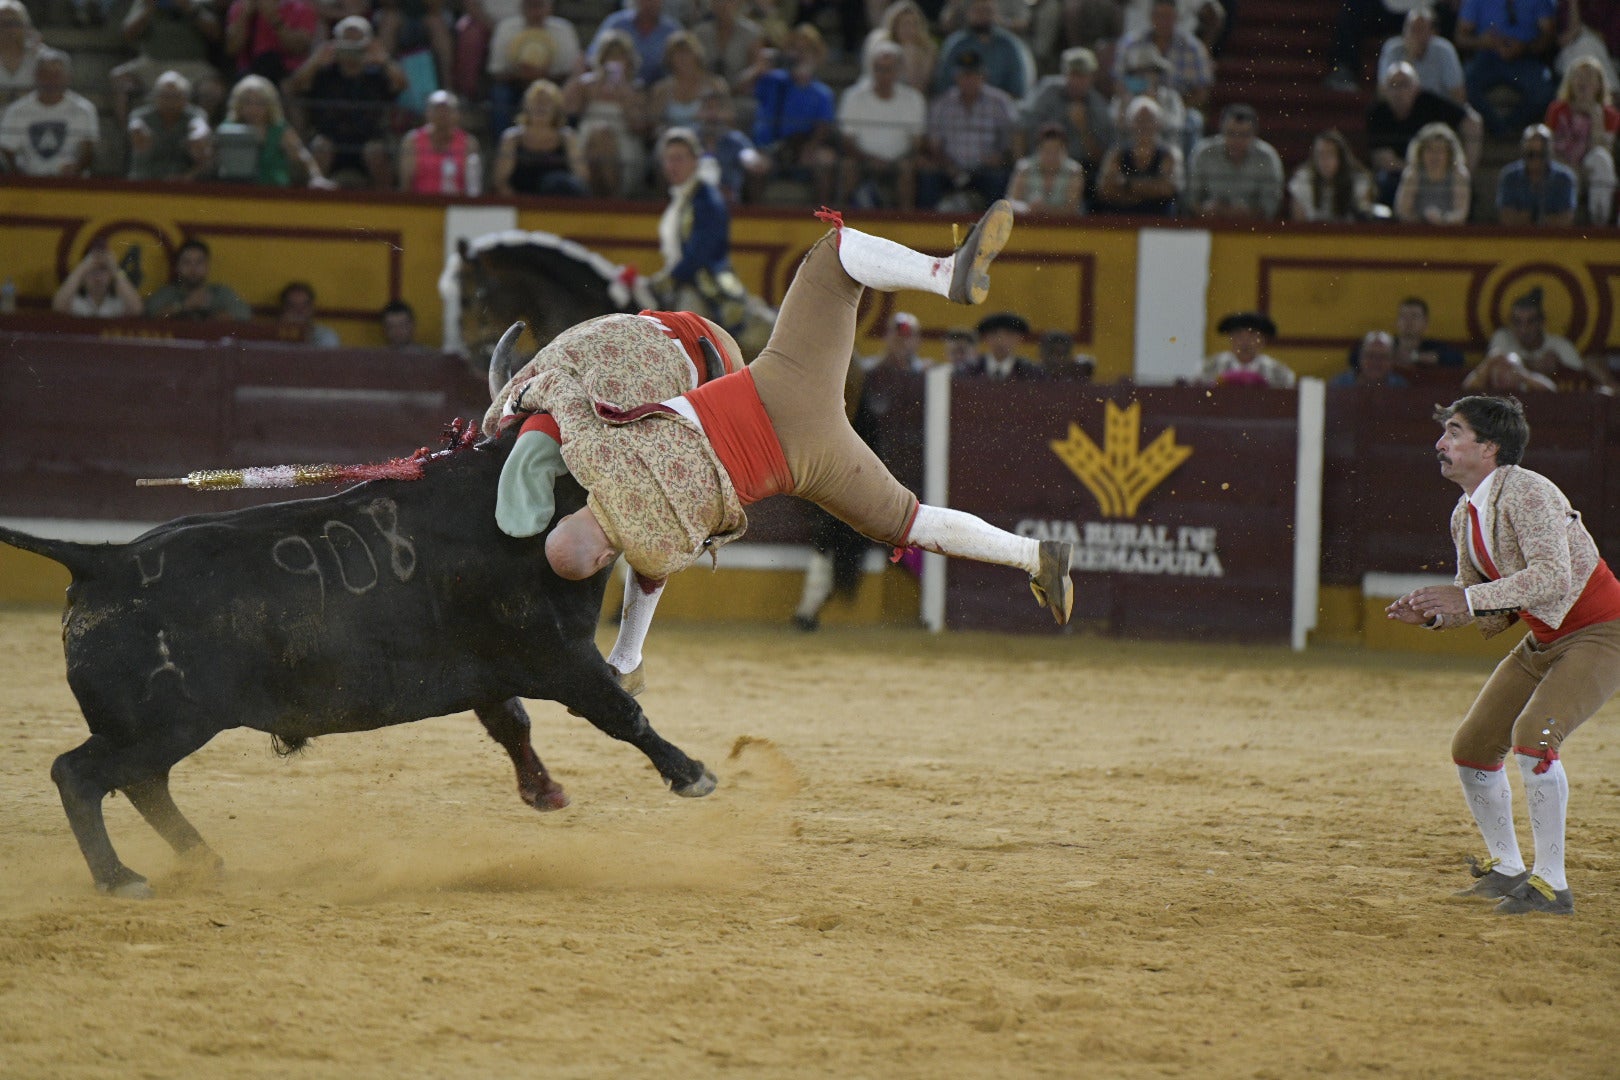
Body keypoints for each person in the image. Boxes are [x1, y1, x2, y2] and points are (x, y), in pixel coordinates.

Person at [492, 202, 1076, 679]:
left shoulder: (654, 550)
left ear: (602, 558)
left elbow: (649, 580)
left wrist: (625, 658)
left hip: (809, 464)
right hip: (784, 387)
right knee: (835, 255)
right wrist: (512, 402)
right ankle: (945, 275)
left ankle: (1033, 556)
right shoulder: (599, 454)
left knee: (910, 522)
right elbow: (566, 397)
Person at [1386, 395, 1620, 915]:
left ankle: (1552, 884)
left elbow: (1552, 578)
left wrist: (1463, 598)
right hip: (1542, 637)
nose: (1440, 444)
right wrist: (1434, 614)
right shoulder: (1463, 515)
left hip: (1601, 631)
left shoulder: (1530, 490)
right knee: (1473, 747)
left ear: (1489, 447)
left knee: (1534, 737)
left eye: (1453, 432)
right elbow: (1495, 611)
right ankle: (1508, 868)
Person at [284, 14, 407, 190]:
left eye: (357, 40)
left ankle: (384, 206)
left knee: (376, 152)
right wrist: (315, 60)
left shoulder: (377, 75)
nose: (352, 47)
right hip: (331, 138)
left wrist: (384, 60)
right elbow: (293, 87)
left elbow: (402, 85)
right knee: (320, 147)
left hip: (368, 139)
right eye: (347, 40)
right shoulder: (324, 73)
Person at [651, 127, 752, 338]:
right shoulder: (683, 198)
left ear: (695, 161)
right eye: (668, 159)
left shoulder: (707, 200)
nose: (672, 166)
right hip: (683, 281)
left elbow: (699, 254)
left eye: (679, 159)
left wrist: (667, 279)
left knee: (686, 332)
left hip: (705, 284)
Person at [1367, 61, 1483, 203]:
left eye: (1404, 84)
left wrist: (1466, 170)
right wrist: (1417, 174)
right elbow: (1384, 160)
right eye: (1393, 85)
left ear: (1417, 88)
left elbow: (1473, 122)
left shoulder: (1431, 103)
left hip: (1440, 174)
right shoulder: (1378, 112)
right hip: (1401, 174)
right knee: (1385, 182)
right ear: (1384, 89)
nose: (1399, 91)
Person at [918, 48, 1020, 211]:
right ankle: (923, 228)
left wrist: (1001, 157)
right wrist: (947, 165)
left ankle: (994, 230)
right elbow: (934, 144)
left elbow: (1012, 138)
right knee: (928, 178)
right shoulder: (942, 104)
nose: (969, 80)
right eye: (964, 75)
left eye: (973, 75)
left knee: (1000, 180)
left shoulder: (1000, 102)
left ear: (983, 76)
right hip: (949, 168)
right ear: (956, 77)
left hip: (987, 169)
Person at [752, 23, 840, 206]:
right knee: (754, 163)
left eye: (806, 50)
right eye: (795, 49)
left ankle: (823, 216)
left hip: (801, 150)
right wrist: (758, 69)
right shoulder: (772, 80)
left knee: (825, 161)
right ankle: (755, 216)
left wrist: (811, 147)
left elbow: (823, 126)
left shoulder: (822, 93)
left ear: (816, 55)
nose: (800, 55)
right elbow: (738, 90)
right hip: (770, 149)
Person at [837, 40, 927, 210]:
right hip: (862, 160)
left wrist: (897, 159)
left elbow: (917, 141)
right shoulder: (854, 96)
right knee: (848, 166)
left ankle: (906, 223)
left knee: (908, 168)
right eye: (879, 69)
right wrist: (869, 159)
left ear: (899, 70)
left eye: (889, 69)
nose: (884, 74)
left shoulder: (913, 98)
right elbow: (847, 140)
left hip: (899, 161)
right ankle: (842, 222)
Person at [1021, 46, 1117, 207]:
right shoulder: (1046, 92)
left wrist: (1083, 127)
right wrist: (1023, 163)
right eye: (1073, 74)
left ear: (1092, 77)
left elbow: (1101, 156)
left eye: (1083, 76)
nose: (1077, 81)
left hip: (1080, 168)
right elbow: (1021, 127)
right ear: (1064, 74)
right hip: (1039, 162)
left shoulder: (1099, 106)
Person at [562, 30, 650, 198]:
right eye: (610, 55)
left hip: (623, 145)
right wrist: (576, 77)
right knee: (597, 137)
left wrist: (625, 96)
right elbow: (567, 110)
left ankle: (612, 198)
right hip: (588, 140)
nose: (614, 61)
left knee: (603, 135)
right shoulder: (587, 85)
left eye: (619, 56)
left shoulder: (637, 89)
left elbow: (639, 127)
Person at [109, 0, 225, 126]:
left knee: (212, 89)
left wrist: (190, 8)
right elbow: (127, 34)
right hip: (151, 63)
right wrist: (148, 8)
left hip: (193, 64)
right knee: (119, 79)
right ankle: (130, 135)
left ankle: (202, 136)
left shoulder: (202, 2)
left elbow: (216, 33)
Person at [1457, 0, 1558, 138]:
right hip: (1488, 56)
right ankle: (1499, 129)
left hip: (1525, 58)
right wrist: (1482, 42)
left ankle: (1510, 126)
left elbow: (1549, 35)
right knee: (1464, 85)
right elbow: (1460, 36)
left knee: (1544, 91)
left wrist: (1524, 47)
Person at [215, 73, 331, 187]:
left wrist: (317, 178)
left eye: (260, 103)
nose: (253, 108)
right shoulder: (227, 128)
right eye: (247, 102)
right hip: (235, 194)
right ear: (238, 104)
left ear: (269, 105)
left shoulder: (279, 129)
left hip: (273, 194)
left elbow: (303, 159)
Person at [486, 0, 582, 137]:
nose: (536, 12)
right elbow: (496, 72)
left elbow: (570, 72)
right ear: (522, 8)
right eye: (531, 6)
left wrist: (542, 75)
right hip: (515, 85)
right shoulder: (506, 28)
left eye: (540, 6)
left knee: (572, 94)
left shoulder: (564, 30)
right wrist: (522, 75)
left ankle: (565, 145)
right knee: (499, 95)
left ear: (550, 8)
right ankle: (504, 146)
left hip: (554, 85)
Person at [1487, 287, 1616, 389]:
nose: (1523, 329)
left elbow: (1580, 376)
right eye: (1517, 322)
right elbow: (1493, 368)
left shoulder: (1560, 345)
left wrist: (1560, 368)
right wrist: (1535, 367)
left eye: (1530, 322)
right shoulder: (1502, 337)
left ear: (1542, 323)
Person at [0, 48, 98, 178]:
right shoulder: (17, 110)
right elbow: (7, 149)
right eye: (45, 74)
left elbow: (88, 149)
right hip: (27, 185)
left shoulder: (84, 109)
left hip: (72, 185)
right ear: (35, 76)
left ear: (68, 77)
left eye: (56, 75)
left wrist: (77, 167)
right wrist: (18, 174)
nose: (50, 80)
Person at [1545, 55, 1619, 225]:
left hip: (1589, 168)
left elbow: (1603, 151)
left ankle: (1599, 221)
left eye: (1589, 77)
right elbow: (1548, 147)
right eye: (1578, 76)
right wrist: (1569, 167)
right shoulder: (1557, 109)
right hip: (1562, 164)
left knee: (1601, 159)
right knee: (1561, 172)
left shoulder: (1610, 115)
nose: (1582, 82)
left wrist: (1595, 117)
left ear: (1599, 85)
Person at [1185, 103, 1285, 220]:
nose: (1237, 141)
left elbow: (1272, 204)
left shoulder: (1267, 158)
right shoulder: (1204, 153)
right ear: (1221, 132)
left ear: (1254, 135)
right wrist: (1206, 210)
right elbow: (1190, 198)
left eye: (1244, 135)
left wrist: (1247, 213)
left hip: (1253, 230)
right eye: (1231, 133)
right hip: (1208, 225)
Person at [1094, 94, 1184, 215]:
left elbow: (1168, 188)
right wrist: (1149, 190)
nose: (1144, 126)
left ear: (1159, 124)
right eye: (1139, 121)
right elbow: (1105, 190)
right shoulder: (1117, 154)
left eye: (1149, 120)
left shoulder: (1170, 154)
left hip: (1160, 222)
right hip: (1122, 221)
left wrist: (1126, 184)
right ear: (1130, 124)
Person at [126, 69, 213, 182]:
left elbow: (200, 127)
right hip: (144, 183)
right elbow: (135, 126)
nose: (170, 102)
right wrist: (138, 131)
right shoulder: (141, 115)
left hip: (184, 184)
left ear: (186, 98)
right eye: (165, 96)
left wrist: (198, 136)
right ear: (155, 97)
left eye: (176, 96)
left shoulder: (195, 114)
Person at [933, 0, 1029, 99]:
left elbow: (1018, 88)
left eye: (987, 11)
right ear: (969, 13)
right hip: (959, 106)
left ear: (995, 14)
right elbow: (943, 84)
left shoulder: (1009, 45)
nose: (982, 16)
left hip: (1000, 107)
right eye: (978, 11)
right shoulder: (956, 44)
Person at [145, 238, 253, 320]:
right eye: (186, 263)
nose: (193, 269)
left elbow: (243, 314)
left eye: (199, 262)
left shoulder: (221, 292)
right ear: (177, 267)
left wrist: (210, 313)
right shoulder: (167, 293)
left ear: (207, 266)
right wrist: (184, 306)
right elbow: (149, 315)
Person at [398, 89, 482, 195]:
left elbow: (473, 186)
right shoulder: (412, 140)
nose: (442, 114)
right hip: (421, 205)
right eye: (437, 109)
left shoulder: (469, 142)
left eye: (447, 110)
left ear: (457, 114)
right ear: (427, 113)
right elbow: (406, 185)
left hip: (457, 206)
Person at [1377, 5, 1466, 103]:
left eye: (1421, 29)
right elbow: (1383, 92)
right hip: (1402, 110)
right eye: (1412, 29)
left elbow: (1458, 93)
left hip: (1437, 110)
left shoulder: (1444, 50)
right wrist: (1409, 57)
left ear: (1432, 32)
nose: (1415, 34)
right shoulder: (1392, 49)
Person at [694, 87, 768, 203]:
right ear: (698, 113)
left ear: (728, 114)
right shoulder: (689, 139)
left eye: (718, 109)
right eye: (708, 108)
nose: (713, 115)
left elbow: (748, 155)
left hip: (729, 205)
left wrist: (753, 161)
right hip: (693, 202)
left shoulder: (736, 140)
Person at [1496, 122, 1579, 225]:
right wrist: (1547, 219)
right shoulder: (1509, 177)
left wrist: (1526, 218)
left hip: (1554, 239)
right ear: (1523, 152)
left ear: (1550, 153)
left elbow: (1566, 220)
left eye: (1541, 155)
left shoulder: (1565, 178)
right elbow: (1506, 218)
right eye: (1531, 154)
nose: (1536, 159)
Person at [1287, 128, 1374, 222]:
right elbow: (1299, 227)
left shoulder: (1359, 182)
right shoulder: (1302, 182)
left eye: (1330, 154)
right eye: (1320, 155)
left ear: (1341, 158)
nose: (1324, 161)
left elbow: (1364, 221)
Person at [1394, 121, 1472, 224]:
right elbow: (1402, 212)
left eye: (1440, 150)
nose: (1435, 156)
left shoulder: (1459, 175)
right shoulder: (1412, 174)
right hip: (1417, 233)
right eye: (1429, 150)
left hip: (1450, 234)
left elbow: (1461, 213)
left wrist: (1442, 219)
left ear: (1450, 154)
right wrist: (1423, 219)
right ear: (1420, 152)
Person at [222, 0, 317, 84]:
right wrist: (245, 16)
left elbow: (300, 49)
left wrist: (274, 19)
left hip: (288, 77)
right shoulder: (240, 7)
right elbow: (232, 49)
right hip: (249, 76)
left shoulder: (301, 8)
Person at [588, 0, 682, 85]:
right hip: (617, 88)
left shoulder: (672, 30)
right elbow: (593, 55)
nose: (650, 3)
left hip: (660, 92)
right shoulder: (616, 23)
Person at [1006, 123, 1084, 215]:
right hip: (1029, 225)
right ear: (1038, 149)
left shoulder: (1074, 171)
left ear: (1065, 151)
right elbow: (1011, 202)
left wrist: (1046, 210)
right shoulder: (1024, 168)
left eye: (1056, 151)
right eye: (1047, 151)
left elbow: (1073, 208)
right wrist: (1027, 208)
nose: (1051, 156)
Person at [1202, 310, 1296, 387]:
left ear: (1263, 340)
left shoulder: (1279, 373)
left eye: (1252, 335)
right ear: (1230, 338)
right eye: (1239, 334)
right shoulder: (1209, 368)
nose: (1245, 341)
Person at [863, 0, 937, 95]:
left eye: (913, 24)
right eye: (904, 24)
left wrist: (910, 58)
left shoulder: (928, 49)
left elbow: (919, 89)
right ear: (894, 26)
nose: (909, 29)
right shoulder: (882, 47)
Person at [51, 245, 144, 318]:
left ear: (111, 276)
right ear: (83, 276)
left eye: (103, 270)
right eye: (92, 271)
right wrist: (83, 266)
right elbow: (58, 307)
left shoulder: (117, 303)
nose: (98, 277)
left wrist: (114, 268)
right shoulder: (76, 303)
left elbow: (137, 309)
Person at [958, 310, 1043, 379]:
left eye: (1009, 334)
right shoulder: (968, 370)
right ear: (985, 338)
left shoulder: (1032, 372)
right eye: (994, 334)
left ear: (1019, 338)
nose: (1001, 341)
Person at [1392, 295, 1467, 369]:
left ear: (1425, 322)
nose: (1408, 321)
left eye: (1414, 316)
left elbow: (1457, 358)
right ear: (1397, 321)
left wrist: (1415, 357)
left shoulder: (1432, 346)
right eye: (1403, 316)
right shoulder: (1387, 344)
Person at [0, 0, 42, 111]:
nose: (9, 30)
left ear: (25, 25)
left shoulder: (40, 56)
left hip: (30, 122)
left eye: (14, 23)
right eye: (3, 24)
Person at [1330, 331, 1411, 387]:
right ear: (1360, 357)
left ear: (1392, 360)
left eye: (1382, 357)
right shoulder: (1339, 384)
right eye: (1370, 356)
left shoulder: (1400, 386)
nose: (1376, 362)